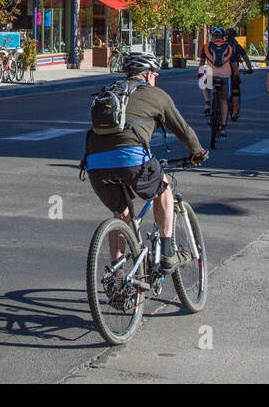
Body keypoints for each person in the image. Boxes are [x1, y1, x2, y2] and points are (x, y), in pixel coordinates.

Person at [84, 51, 208, 273]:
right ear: (149, 75)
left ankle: (117, 272)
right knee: (164, 190)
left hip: (94, 162)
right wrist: (197, 152)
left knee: (121, 214)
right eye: (155, 75)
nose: (156, 79)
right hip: (131, 159)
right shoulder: (157, 95)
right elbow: (183, 130)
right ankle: (168, 253)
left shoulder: (110, 92)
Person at [202, 27, 237, 138]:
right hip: (224, 76)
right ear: (223, 37)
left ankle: (207, 103)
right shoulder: (229, 48)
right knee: (223, 101)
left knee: (204, 83)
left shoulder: (207, 46)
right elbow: (234, 64)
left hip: (210, 75)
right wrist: (235, 75)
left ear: (213, 36)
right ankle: (223, 127)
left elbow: (202, 62)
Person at [224, 27, 255, 122]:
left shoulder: (222, 45)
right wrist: (250, 69)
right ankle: (234, 111)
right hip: (233, 71)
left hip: (220, 71)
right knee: (235, 91)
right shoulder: (237, 46)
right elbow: (245, 58)